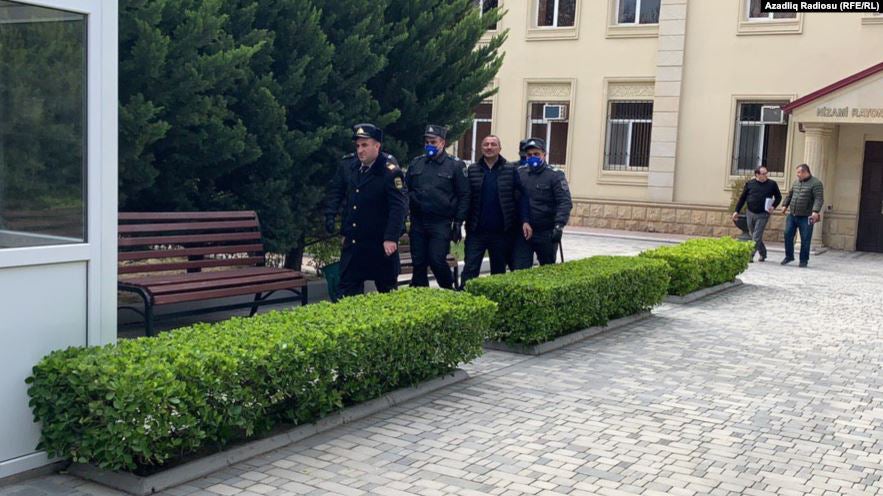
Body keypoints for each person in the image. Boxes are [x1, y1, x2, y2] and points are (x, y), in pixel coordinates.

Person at [323, 123, 408, 298]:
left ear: (377, 146)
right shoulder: (351, 166)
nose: (360, 150)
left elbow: (398, 207)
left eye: (365, 145)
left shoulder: (389, 171)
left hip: (380, 244)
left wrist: (391, 238)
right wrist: (334, 219)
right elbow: (341, 194)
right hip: (355, 243)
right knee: (346, 294)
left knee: (387, 295)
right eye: (358, 146)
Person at [459, 135, 530, 288]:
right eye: (486, 144)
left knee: (498, 273)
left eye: (493, 144)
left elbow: (521, 197)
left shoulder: (510, 170)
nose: (489, 147)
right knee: (470, 270)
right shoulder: (472, 170)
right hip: (476, 232)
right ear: (481, 148)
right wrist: (458, 221)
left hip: (501, 233)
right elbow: (465, 198)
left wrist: (525, 220)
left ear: (500, 148)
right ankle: (463, 297)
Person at [405, 124, 469, 289]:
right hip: (419, 221)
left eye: (433, 142)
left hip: (441, 222)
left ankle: (449, 290)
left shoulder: (455, 165)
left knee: (436, 259)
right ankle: (420, 294)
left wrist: (458, 222)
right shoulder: (416, 163)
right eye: (427, 142)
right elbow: (406, 190)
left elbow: (464, 195)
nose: (429, 145)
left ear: (442, 143)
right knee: (419, 262)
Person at [511, 138, 572, 269]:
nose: (532, 157)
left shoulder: (555, 175)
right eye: (529, 155)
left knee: (547, 270)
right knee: (519, 270)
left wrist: (559, 225)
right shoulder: (519, 173)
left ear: (544, 154)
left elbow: (564, 202)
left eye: (536, 154)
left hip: (546, 231)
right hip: (524, 231)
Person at [732, 166, 782, 262]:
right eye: (763, 174)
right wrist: (736, 211)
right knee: (753, 235)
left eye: (766, 173)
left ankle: (750, 256)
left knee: (756, 236)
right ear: (757, 175)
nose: (766, 175)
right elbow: (742, 198)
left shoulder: (772, 184)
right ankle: (763, 253)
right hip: (750, 212)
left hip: (763, 214)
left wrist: (773, 206)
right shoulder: (750, 184)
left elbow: (778, 197)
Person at [781, 163, 824, 268]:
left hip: (806, 216)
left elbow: (819, 198)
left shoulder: (816, 183)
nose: (797, 175)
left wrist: (815, 211)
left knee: (805, 238)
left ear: (805, 172)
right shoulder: (796, 182)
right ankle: (789, 256)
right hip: (793, 214)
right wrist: (785, 205)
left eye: (799, 172)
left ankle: (803, 260)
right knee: (787, 234)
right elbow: (790, 195)